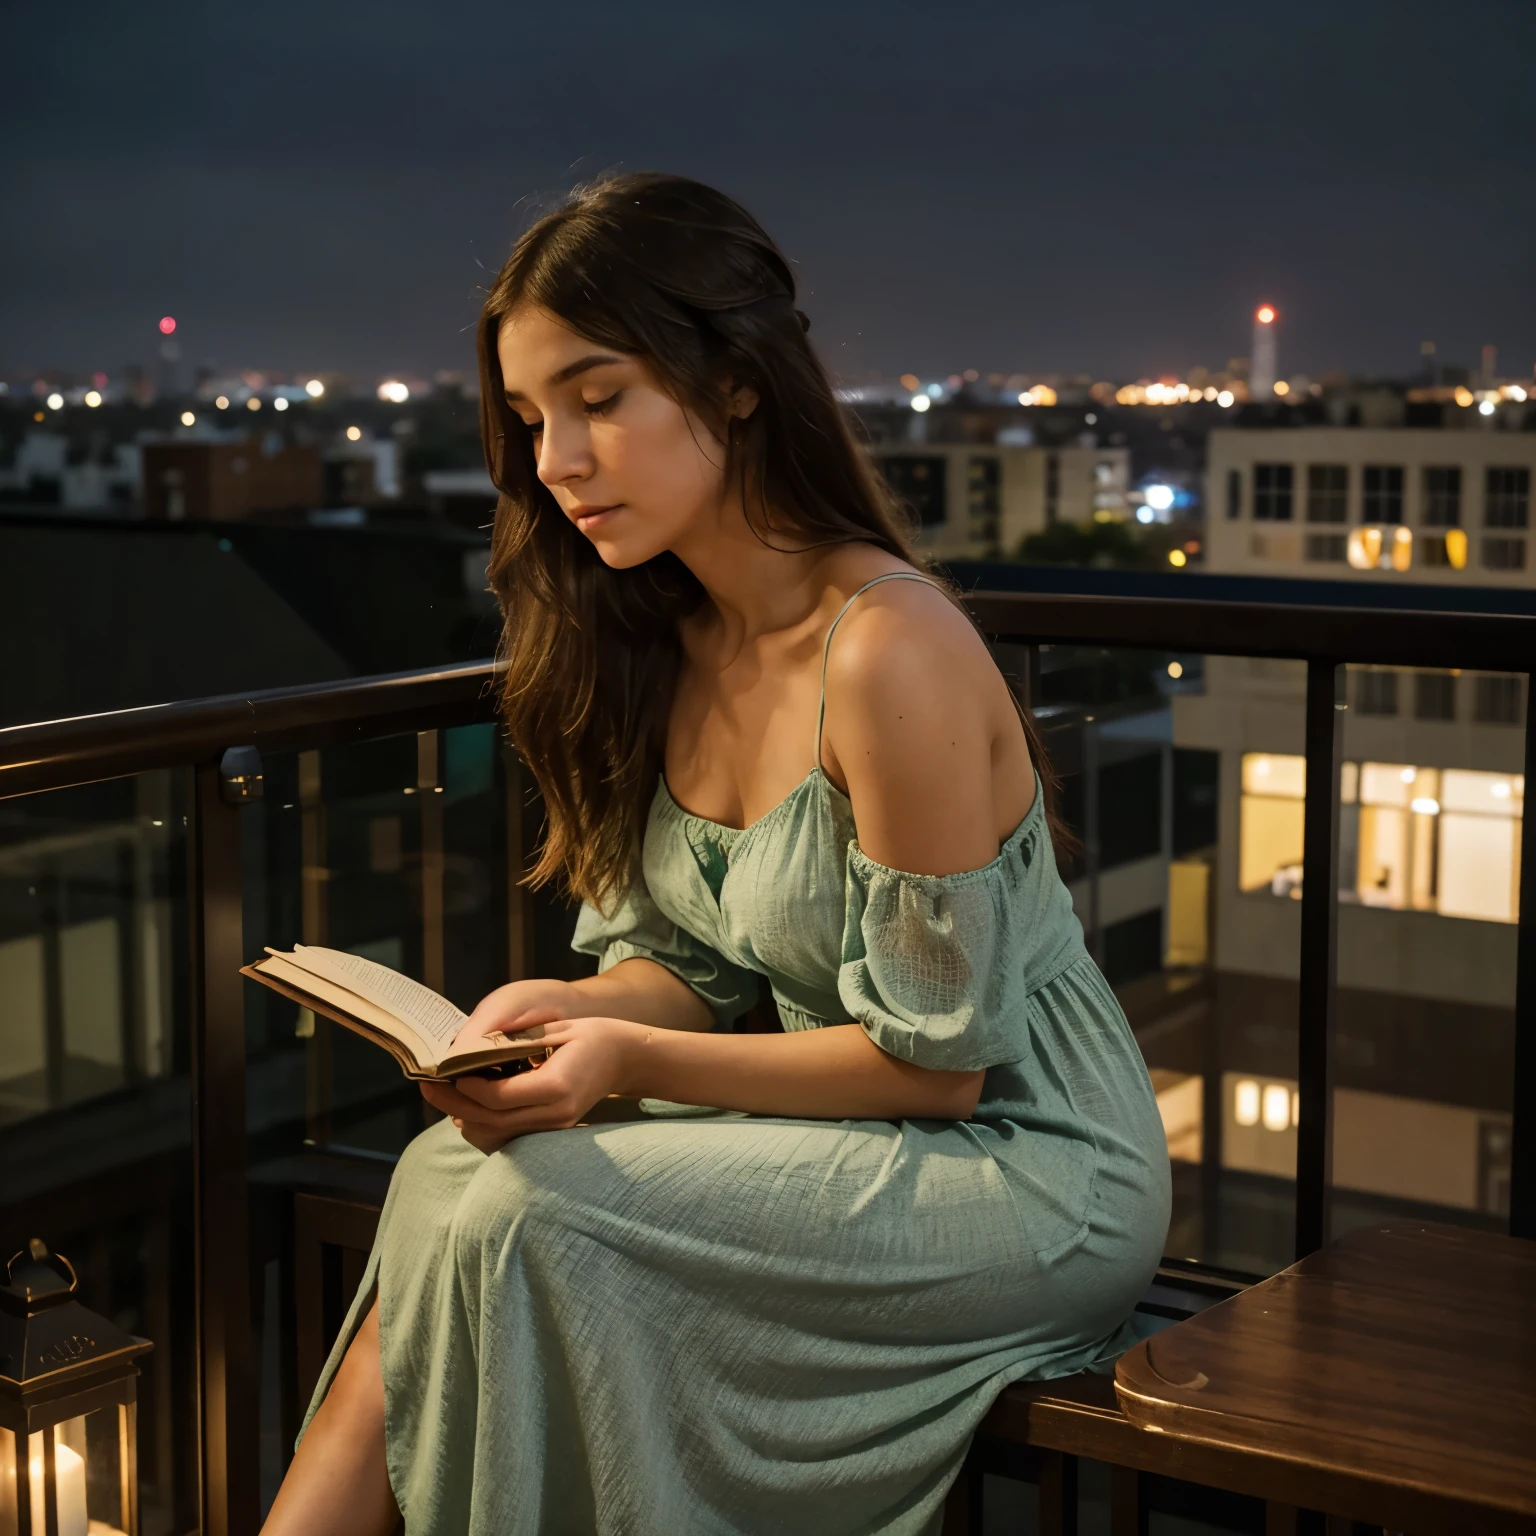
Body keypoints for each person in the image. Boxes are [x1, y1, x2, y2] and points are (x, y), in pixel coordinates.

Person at [261, 173, 1171, 1536]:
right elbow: (683, 960)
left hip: (1025, 1170)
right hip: (853, 1132)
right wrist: (582, 1009)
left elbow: (938, 1069)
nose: (557, 460)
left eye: (600, 396)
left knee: (521, 1215)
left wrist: (626, 1060)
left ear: (735, 382)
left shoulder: (889, 647)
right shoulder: (674, 641)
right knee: (445, 1176)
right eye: (528, 420)